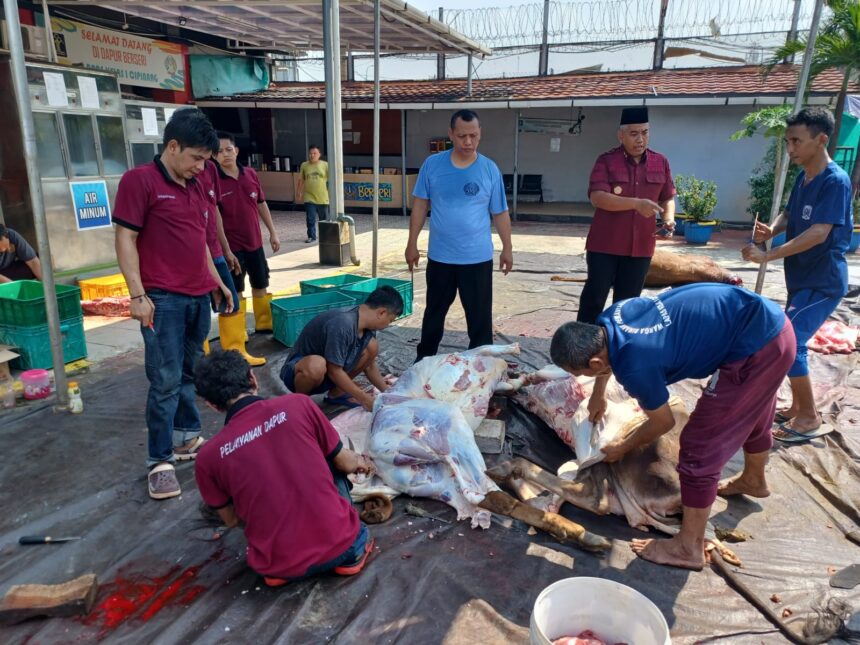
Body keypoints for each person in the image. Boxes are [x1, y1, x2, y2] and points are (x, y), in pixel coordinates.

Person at [550, 284, 795, 570]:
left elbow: (663, 421)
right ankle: (754, 479)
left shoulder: (635, 365)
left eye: (581, 374)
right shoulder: (609, 319)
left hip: (757, 349)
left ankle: (688, 547)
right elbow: (605, 362)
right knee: (754, 409)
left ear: (595, 362)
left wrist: (622, 446)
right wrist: (597, 392)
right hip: (771, 325)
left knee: (698, 447)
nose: (580, 377)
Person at [114, 108, 234, 501]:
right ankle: (159, 459)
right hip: (162, 300)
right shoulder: (140, 182)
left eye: (206, 160)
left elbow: (199, 241)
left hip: (198, 295)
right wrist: (137, 295)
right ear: (172, 146)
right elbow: (125, 238)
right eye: (196, 158)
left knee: (188, 372)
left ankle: (186, 438)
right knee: (164, 379)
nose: (202, 167)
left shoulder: (196, 185)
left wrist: (218, 283)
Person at [194, 350, 376, 585]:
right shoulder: (298, 404)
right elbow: (344, 462)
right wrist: (361, 461)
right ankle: (349, 557)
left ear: (211, 404)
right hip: (343, 547)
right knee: (331, 457)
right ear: (253, 378)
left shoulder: (207, 457)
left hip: (276, 564)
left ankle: (284, 563)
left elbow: (230, 520)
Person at [742, 107, 852, 443]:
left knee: (790, 344)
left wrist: (768, 255)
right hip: (800, 279)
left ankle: (808, 417)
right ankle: (797, 408)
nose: (790, 149)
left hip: (822, 282)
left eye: (796, 141)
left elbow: (819, 232)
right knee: (788, 341)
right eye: (788, 141)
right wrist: (770, 229)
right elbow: (790, 215)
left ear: (821, 140)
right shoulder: (804, 176)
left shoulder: (835, 181)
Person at [405, 109, 513, 361]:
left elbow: (500, 212)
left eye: (473, 136)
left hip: (477, 259)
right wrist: (412, 244)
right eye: (462, 136)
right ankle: (424, 361)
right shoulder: (433, 165)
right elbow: (420, 205)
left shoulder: (489, 169)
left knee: (479, 319)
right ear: (451, 134)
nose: (468, 142)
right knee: (434, 313)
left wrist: (507, 247)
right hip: (441, 257)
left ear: (480, 134)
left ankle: (481, 367)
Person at [576, 107, 676, 324]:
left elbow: (667, 197)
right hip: (605, 245)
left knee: (628, 303)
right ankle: (581, 346)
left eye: (645, 132)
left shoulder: (661, 162)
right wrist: (636, 204)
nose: (640, 139)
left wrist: (668, 219)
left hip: (640, 247)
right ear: (620, 135)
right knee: (594, 298)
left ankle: (616, 346)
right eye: (634, 134)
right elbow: (598, 197)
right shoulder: (606, 161)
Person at [280, 286, 403, 411]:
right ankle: (299, 402)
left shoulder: (367, 327)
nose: (388, 325)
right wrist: (364, 398)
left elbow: (370, 367)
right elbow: (334, 371)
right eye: (390, 320)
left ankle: (336, 393)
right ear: (381, 313)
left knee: (372, 346)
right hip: (298, 375)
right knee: (317, 364)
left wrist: (389, 394)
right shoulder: (342, 323)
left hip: (328, 375)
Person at [215, 133, 281, 346]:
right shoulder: (214, 181)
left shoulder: (250, 174)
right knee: (237, 290)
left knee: (261, 282)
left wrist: (272, 232)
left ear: (237, 151)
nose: (225, 154)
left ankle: (263, 323)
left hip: (255, 243)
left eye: (228, 149)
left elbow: (261, 203)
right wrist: (225, 249)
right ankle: (239, 331)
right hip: (232, 248)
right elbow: (214, 217)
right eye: (219, 151)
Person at [197, 155, 250, 361]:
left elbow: (215, 209)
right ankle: (201, 362)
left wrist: (226, 249)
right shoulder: (178, 178)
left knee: (230, 303)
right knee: (199, 312)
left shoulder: (210, 168)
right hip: (196, 256)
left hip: (215, 251)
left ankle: (235, 356)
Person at [297, 145, 329, 244]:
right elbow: (301, 179)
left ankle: (326, 237)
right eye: (310, 153)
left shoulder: (325, 165)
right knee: (310, 219)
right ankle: (311, 236)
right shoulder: (304, 165)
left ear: (319, 154)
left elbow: (331, 179)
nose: (312, 155)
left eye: (315, 153)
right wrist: (299, 191)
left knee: (324, 220)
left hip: (323, 197)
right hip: (309, 197)